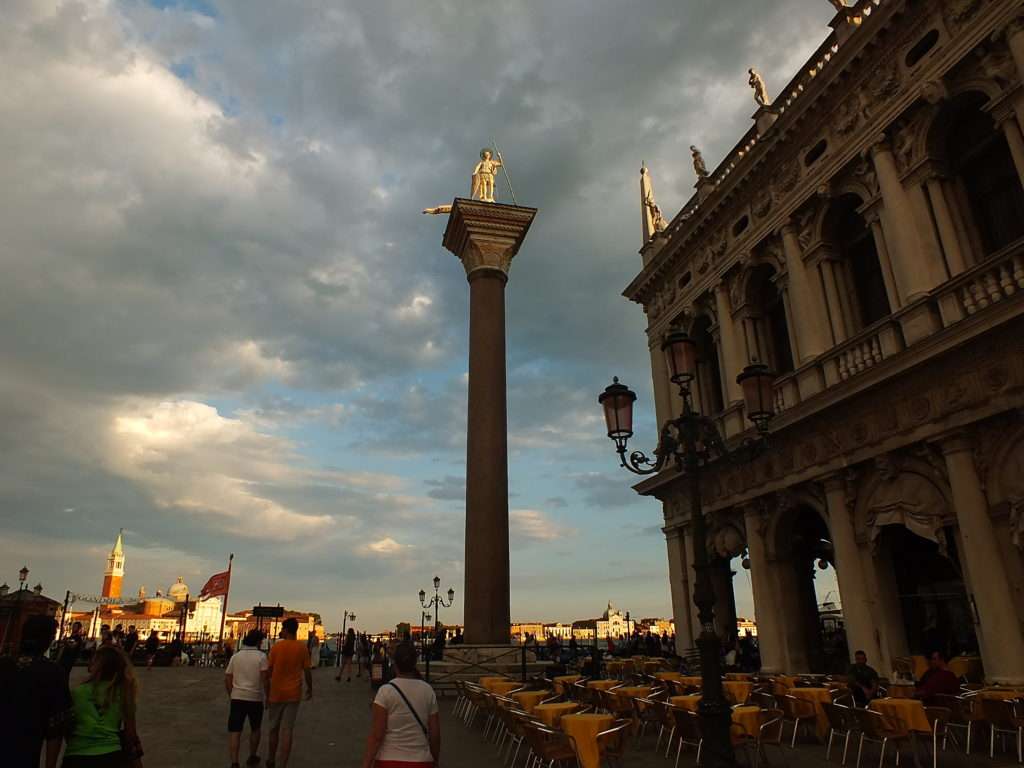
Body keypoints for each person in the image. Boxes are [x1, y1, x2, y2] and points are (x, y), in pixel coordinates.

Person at [0, 615, 70, 768]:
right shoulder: (53, 672)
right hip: (24, 753)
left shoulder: (3, 664)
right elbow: (56, 728)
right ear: (48, 639)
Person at [360, 641, 440, 768]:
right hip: (421, 760)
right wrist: (435, 760)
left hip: (388, 759)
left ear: (395, 664)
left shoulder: (385, 692)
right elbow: (435, 734)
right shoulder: (428, 691)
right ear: (414, 663)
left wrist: (366, 764)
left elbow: (377, 735)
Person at [63, 644, 143, 768]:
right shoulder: (123, 693)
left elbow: (68, 726)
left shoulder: (78, 692)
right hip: (111, 753)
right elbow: (130, 733)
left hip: (77, 753)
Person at [266, 617, 312, 768]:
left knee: (273, 729)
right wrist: (309, 688)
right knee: (287, 730)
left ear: (286, 630)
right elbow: (307, 671)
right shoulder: (302, 648)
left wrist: (266, 692)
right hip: (293, 693)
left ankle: (271, 759)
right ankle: (282, 764)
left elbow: (269, 671)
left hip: (276, 692)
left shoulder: (276, 648)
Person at [226, 629, 269, 768]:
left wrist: (231, 693)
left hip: (237, 697)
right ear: (258, 642)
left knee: (235, 730)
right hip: (255, 697)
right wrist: (267, 696)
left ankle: (234, 762)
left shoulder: (236, 657)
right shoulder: (262, 657)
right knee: (255, 728)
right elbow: (265, 680)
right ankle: (252, 755)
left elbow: (228, 677)